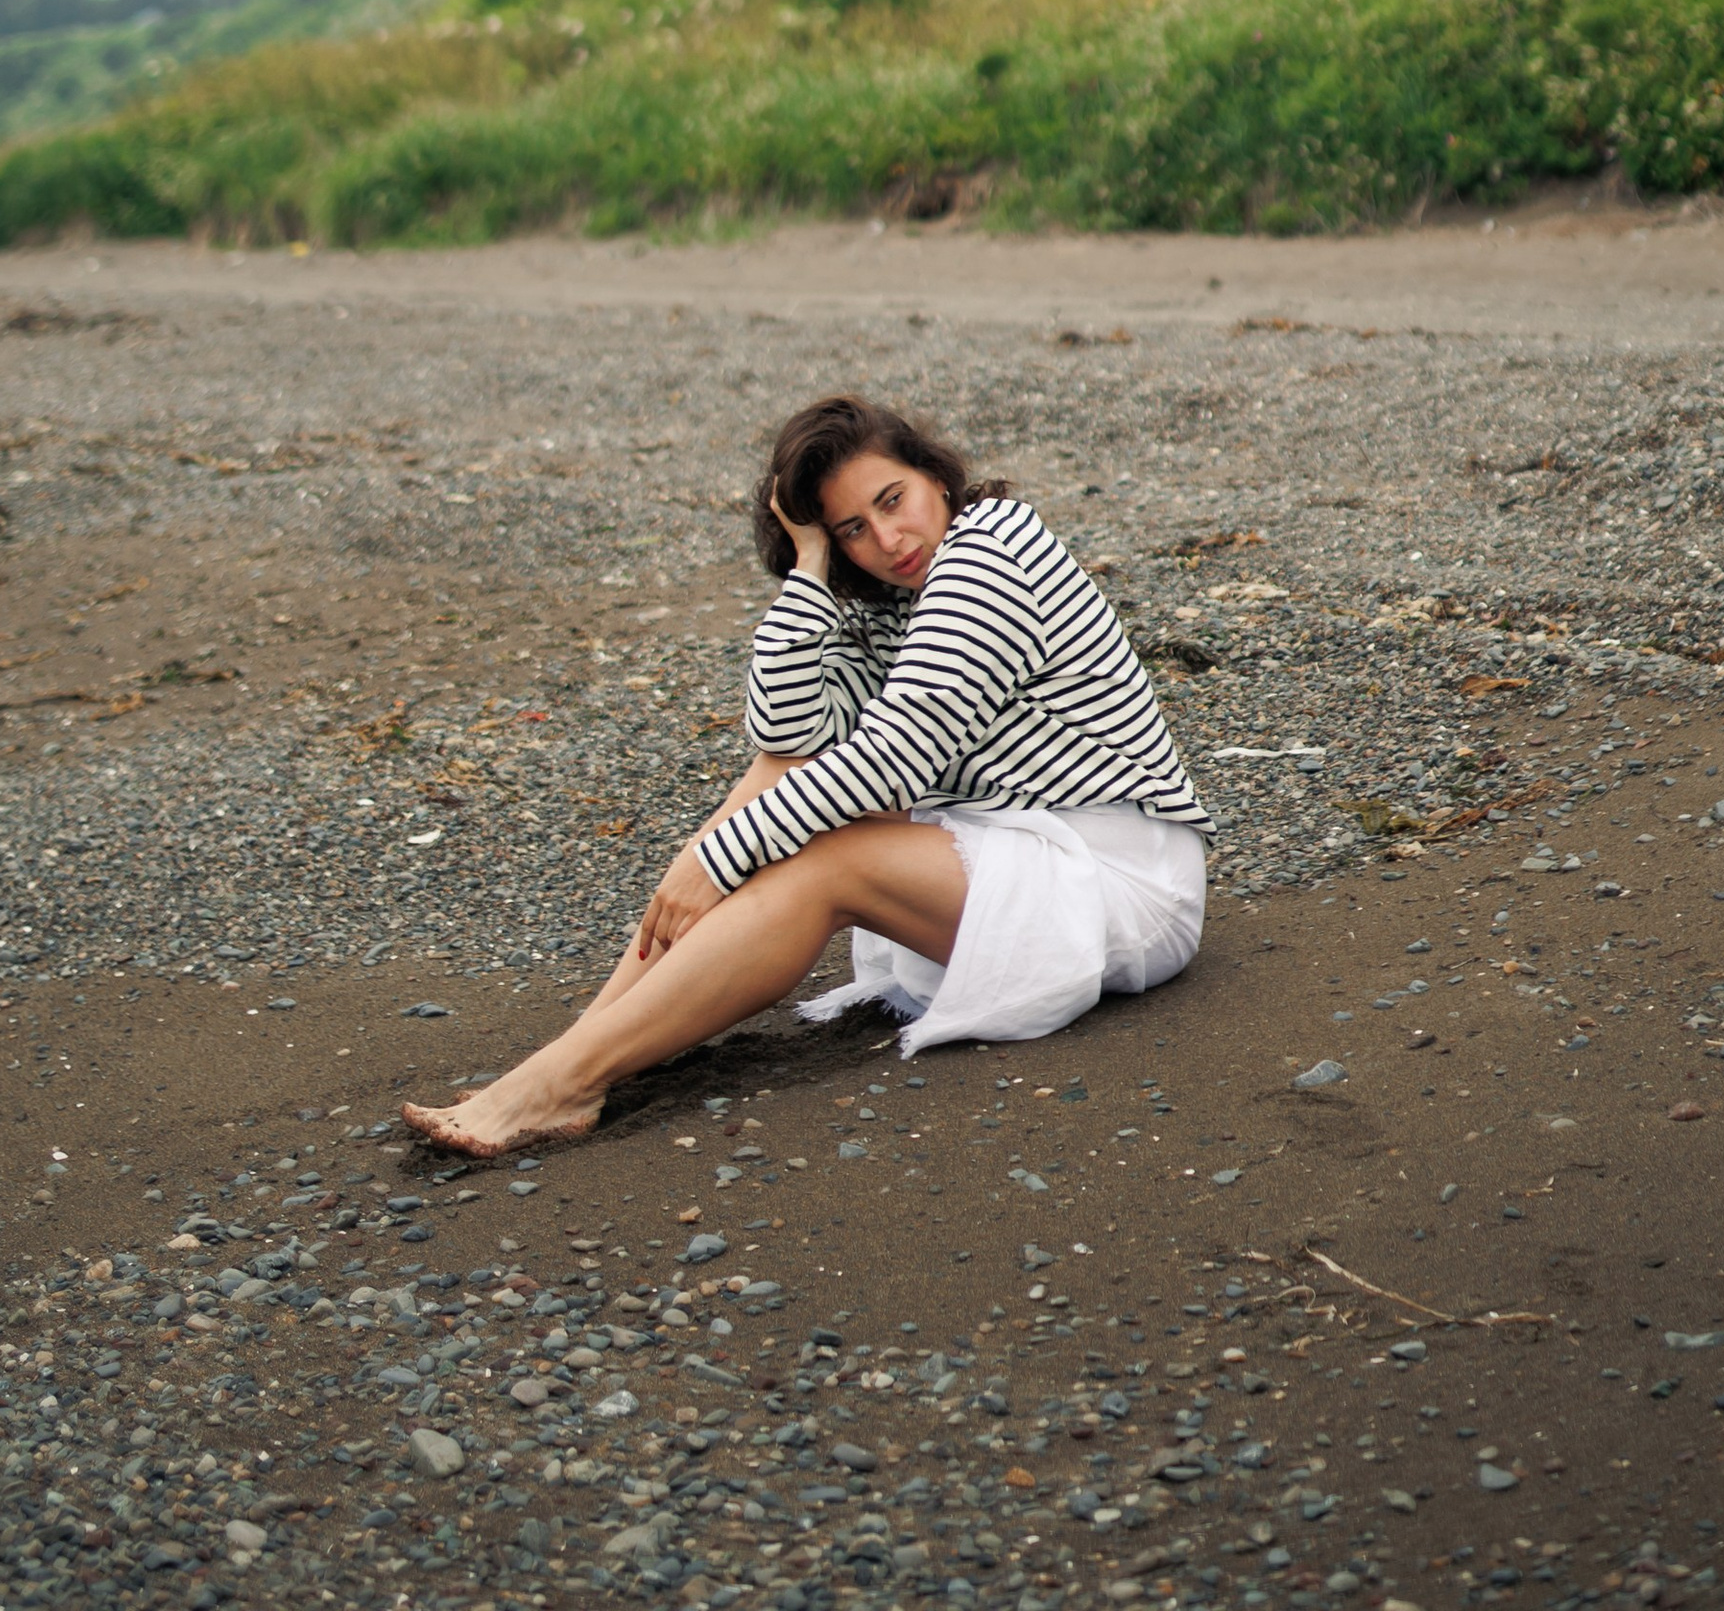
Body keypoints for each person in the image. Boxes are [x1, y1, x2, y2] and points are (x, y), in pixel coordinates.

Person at [402, 393, 1209, 1158]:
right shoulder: (895, 600)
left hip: (1120, 883)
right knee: (780, 778)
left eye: (893, 500)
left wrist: (715, 859)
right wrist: (810, 568)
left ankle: (566, 1080)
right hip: (1014, 855)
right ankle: (583, 1046)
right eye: (853, 528)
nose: (888, 539)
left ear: (935, 475)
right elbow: (789, 736)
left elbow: (894, 758)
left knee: (823, 860)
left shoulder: (992, 548)